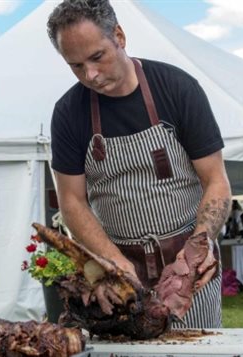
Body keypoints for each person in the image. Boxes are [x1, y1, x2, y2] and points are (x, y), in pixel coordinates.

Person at [47, 0, 231, 328]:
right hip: (116, 275)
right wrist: (114, 262)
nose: (90, 75)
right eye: (75, 66)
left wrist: (198, 247)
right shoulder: (68, 113)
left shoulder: (177, 89)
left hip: (186, 266)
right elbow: (72, 200)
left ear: (119, 35)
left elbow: (215, 180)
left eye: (97, 57)